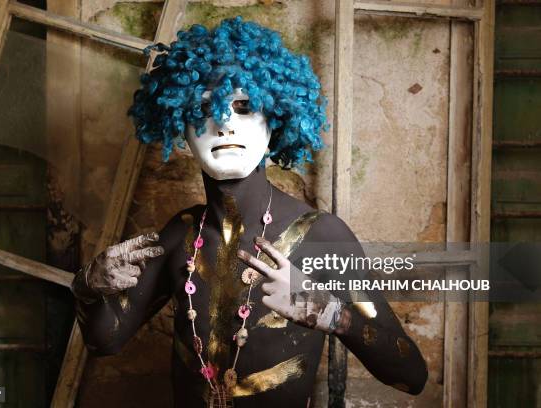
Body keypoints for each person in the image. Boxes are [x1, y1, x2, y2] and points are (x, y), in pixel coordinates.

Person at [70, 17, 427, 407]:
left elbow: (411, 376)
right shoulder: (181, 235)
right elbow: (105, 342)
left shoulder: (323, 236)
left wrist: (327, 311)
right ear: (182, 133)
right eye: (204, 108)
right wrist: (88, 285)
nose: (224, 123)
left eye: (243, 106)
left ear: (276, 120)